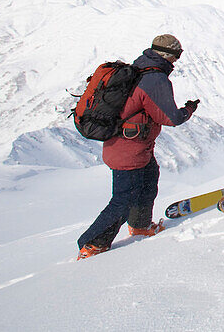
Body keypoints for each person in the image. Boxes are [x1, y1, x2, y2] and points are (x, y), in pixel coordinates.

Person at [77, 35, 198, 259]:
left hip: (130, 146)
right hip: (128, 150)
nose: (177, 60)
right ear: (168, 55)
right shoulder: (155, 79)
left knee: (149, 181)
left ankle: (141, 226)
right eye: (177, 55)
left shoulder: (140, 68)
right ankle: (92, 243)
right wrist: (188, 110)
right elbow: (170, 117)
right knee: (124, 198)